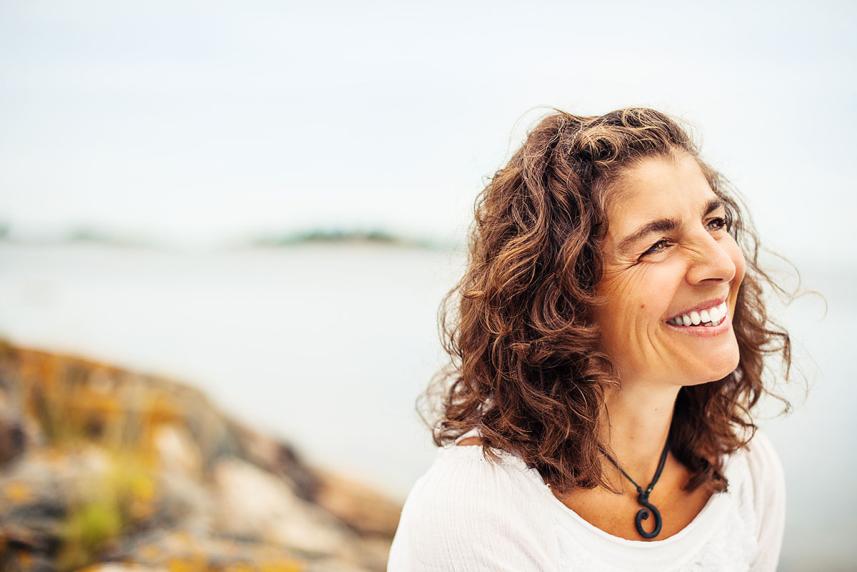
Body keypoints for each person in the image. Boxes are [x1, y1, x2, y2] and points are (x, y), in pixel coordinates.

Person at [387, 108, 792, 571]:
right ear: (562, 297)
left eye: (716, 223)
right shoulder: (476, 511)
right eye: (658, 244)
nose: (721, 265)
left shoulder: (747, 466)